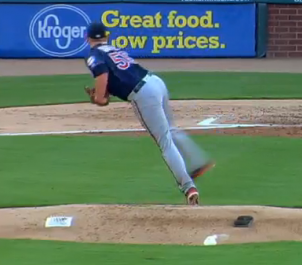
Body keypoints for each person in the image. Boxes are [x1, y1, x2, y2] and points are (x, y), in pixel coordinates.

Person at [82, 21, 214, 206]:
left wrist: (96, 98)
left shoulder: (94, 56)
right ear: (106, 36)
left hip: (143, 94)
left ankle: (188, 187)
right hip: (155, 81)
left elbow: (102, 95)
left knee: (165, 142)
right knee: (171, 129)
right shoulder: (113, 49)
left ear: (87, 38)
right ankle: (198, 161)